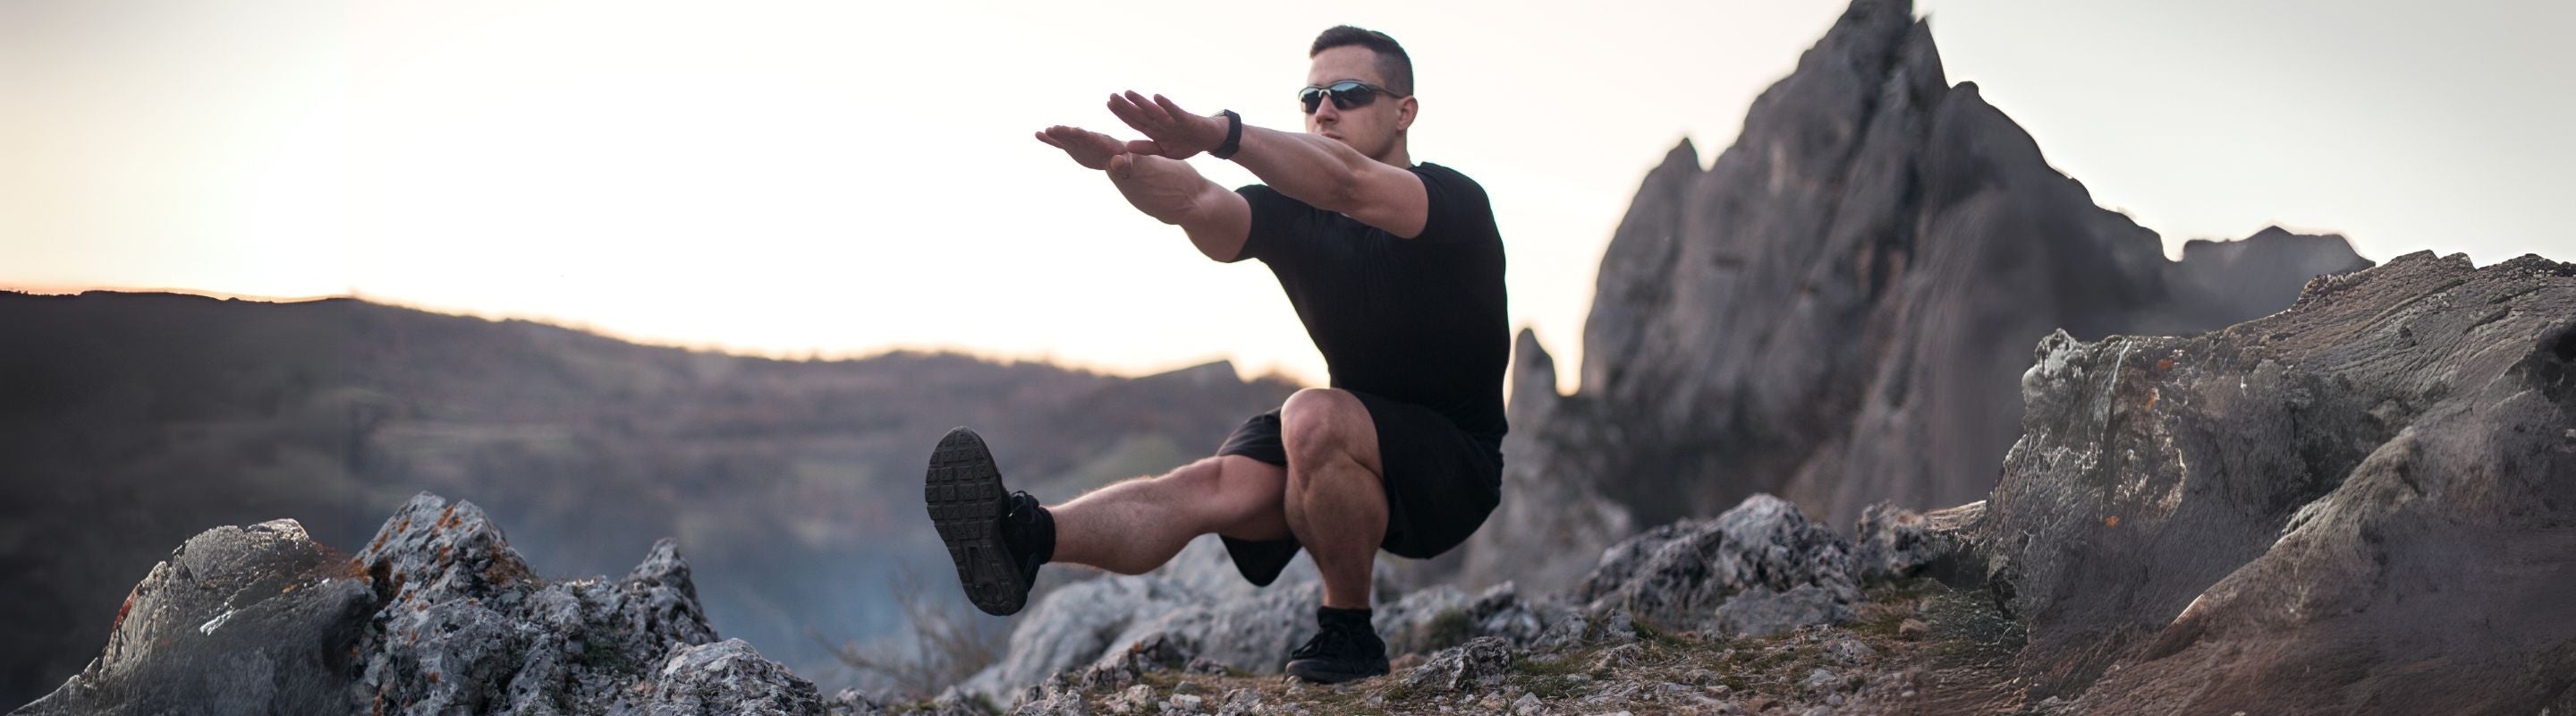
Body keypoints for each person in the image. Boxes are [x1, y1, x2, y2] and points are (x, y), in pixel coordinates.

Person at [924, 25, 1506, 684]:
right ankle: (1026, 535)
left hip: (1454, 470)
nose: (1324, 110)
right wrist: (1125, 165)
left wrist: (1223, 133)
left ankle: (1348, 630)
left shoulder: (1452, 204)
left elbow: (1348, 184)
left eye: (1348, 93)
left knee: (1311, 414)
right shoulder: (1293, 213)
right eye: (1310, 97)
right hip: (1345, 449)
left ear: (1405, 111)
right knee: (1210, 486)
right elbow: (1199, 202)